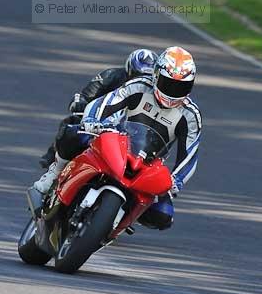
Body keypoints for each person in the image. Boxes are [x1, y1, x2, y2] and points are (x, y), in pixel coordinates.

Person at [31, 46, 201, 231]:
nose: (173, 92)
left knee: (163, 215)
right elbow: (105, 102)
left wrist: (176, 181)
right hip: (115, 140)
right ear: (156, 75)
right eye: (169, 84)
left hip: (148, 163)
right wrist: (91, 121)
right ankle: (53, 175)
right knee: (73, 133)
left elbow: (189, 154)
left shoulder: (191, 115)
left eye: (180, 87)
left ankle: (121, 220)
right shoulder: (139, 85)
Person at [38, 48, 158, 167]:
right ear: (129, 70)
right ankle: (54, 159)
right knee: (72, 122)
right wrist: (80, 103)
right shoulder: (111, 75)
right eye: (139, 75)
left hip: (130, 128)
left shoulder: (154, 91)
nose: (143, 80)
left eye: (148, 76)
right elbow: (85, 95)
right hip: (101, 122)